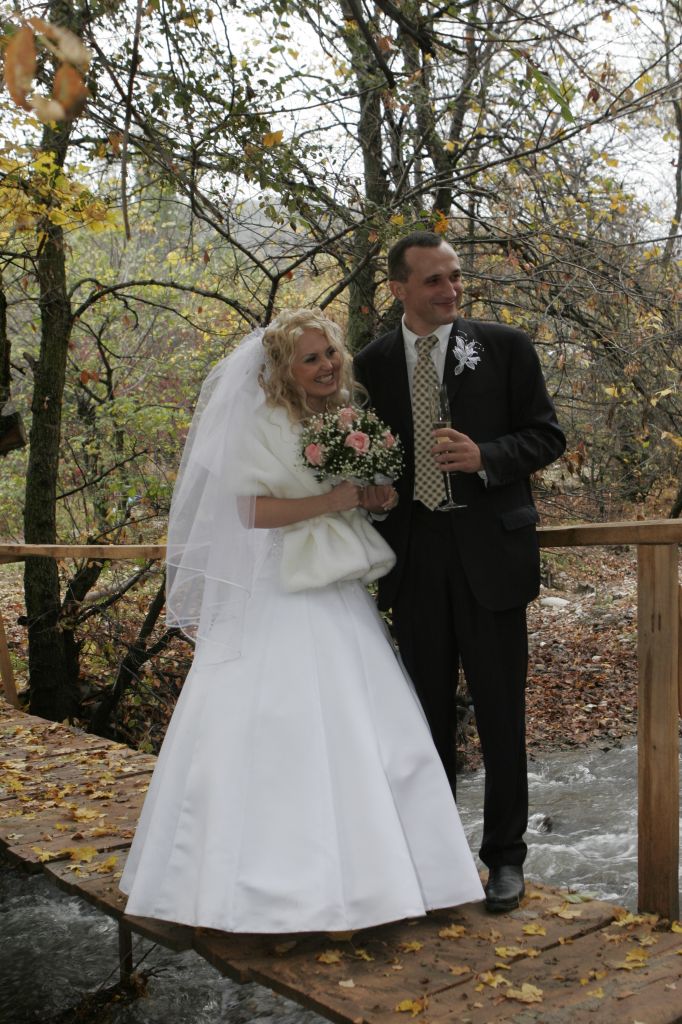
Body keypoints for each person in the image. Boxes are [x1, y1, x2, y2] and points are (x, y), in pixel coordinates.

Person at [120, 307, 484, 933]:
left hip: (337, 587)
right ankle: (276, 893)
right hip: (278, 589)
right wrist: (332, 500)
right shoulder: (260, 422)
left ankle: (392, 879)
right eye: (310, 358)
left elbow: (353, 500)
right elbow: (250, 513)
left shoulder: (345, 419)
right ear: (284, 368)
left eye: (331, 353)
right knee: (279, 728)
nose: (326, 366)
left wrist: (374, 498)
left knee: (365, 723)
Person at [354, 233, 566, 913]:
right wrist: (371, 494)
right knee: (424, 719)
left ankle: (504, 859)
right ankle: (436, 860)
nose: (451, 290)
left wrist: (486, 458)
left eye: (454, 277)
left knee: (501, 714)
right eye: (433, 281)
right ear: (398, 290)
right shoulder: (370, 365)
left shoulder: (506, 347)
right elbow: (362, 457)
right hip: (413, 560)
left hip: (492, 558)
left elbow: (547, 435)